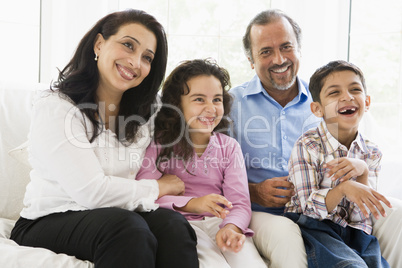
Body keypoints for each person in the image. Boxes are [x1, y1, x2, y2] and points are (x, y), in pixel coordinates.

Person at [10, 9, 199, 268]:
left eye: (147, 57)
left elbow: (195, 124)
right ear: (99, 44)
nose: (135, 62)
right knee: (128, 229)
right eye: (128, 45)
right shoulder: (57, 107)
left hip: (118, 214)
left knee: (173, 226)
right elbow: (91, 192)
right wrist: (158, 187)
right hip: (48, 218)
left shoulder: (147, 111)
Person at [229, 9, 402, 268]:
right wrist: (253, 192)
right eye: (266, 51)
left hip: (330, 211)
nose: (279, 59)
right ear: (251, 60)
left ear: (299, 49)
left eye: (286, 47)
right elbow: (211, 169)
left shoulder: (325, 96)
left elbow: (359, 157)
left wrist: (360, 174)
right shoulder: (230, 104)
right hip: (263, 212)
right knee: (288, 236)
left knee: (397, 213)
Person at [136, 59, 266, 268]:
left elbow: (240, 203)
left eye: (217, 99)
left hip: (220, 223)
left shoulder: (229, 147)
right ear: (177, 105)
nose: (211, 108)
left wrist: (232, 227)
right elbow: (144, 194)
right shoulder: (159, 144)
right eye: (199, 99)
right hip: (182, 226)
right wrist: (194, 203)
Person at [284, 60, 391, 267]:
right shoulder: (308, 145)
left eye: (355, 89)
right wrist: (344, 188)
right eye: (334, 93)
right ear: (317, 109)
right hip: (314, 227)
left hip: (355, 232)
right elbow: (308, 209)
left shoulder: (372, 152)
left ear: (366, 102)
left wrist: (363, 173)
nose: (347, 97)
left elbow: (363, 217)